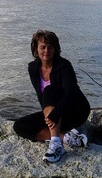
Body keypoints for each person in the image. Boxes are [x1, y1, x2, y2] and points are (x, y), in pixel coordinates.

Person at [13, 29, 90, 163]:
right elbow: (41, 97)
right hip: (55, 114)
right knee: (20, 126)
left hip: (75, 111)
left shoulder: (64, 66)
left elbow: (71, 93)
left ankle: (55, 146)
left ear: (55, 49)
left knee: (49, 90)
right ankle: (66, 138)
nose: (46, 51)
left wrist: (55, 114)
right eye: (43, 47)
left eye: (50, 47)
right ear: (36, 49)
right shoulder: (33, 68)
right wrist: (50, 116)